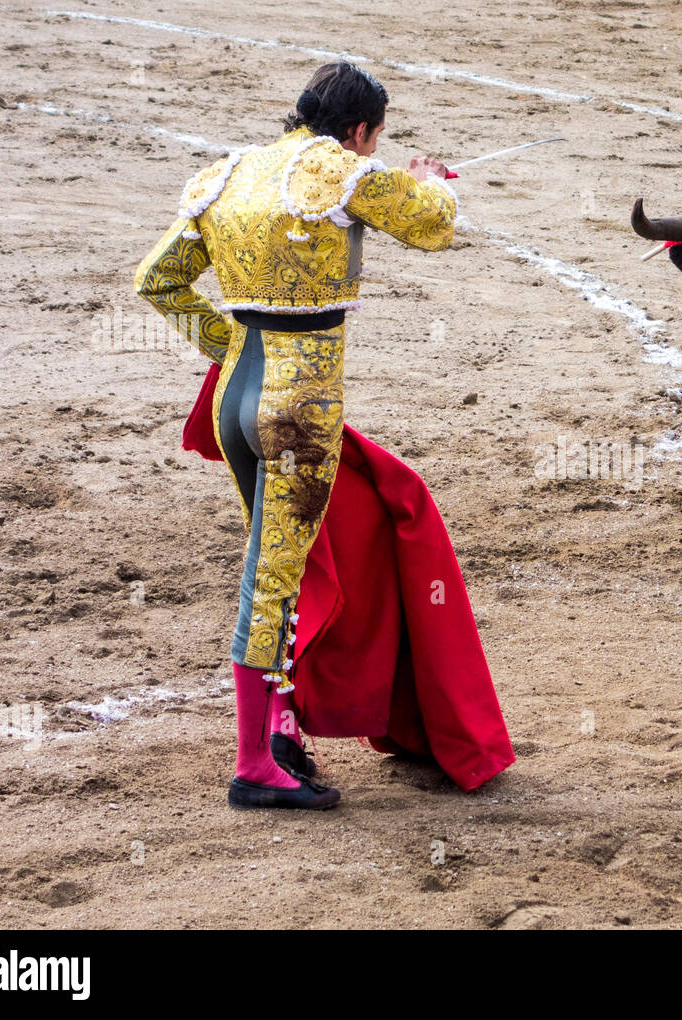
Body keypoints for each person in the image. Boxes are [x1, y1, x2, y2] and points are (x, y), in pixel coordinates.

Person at [135, 62, 457, 809]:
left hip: (235, 392)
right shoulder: (342, 170)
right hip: (298, 407)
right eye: (370, 140)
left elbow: (157, 282)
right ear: (359, 131)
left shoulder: (230, 173)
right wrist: (433, 180)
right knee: (272, 576)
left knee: (274, 561)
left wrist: (229, 350)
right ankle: (254, 764)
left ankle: (279, 724)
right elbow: (436, 226)